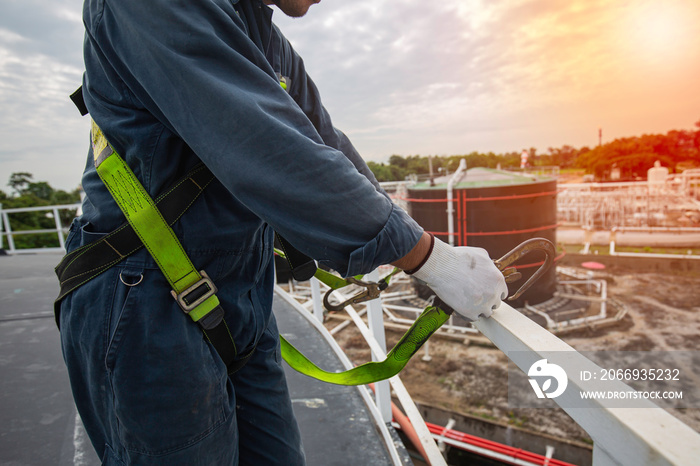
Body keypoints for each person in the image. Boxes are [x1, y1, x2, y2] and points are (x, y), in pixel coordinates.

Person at [57, 0, 508, 464]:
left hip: (240, 290)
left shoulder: (263, 37)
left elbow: (324, 144)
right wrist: (426, 258)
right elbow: (265, 143)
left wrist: (416, 243)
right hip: (142, 299)